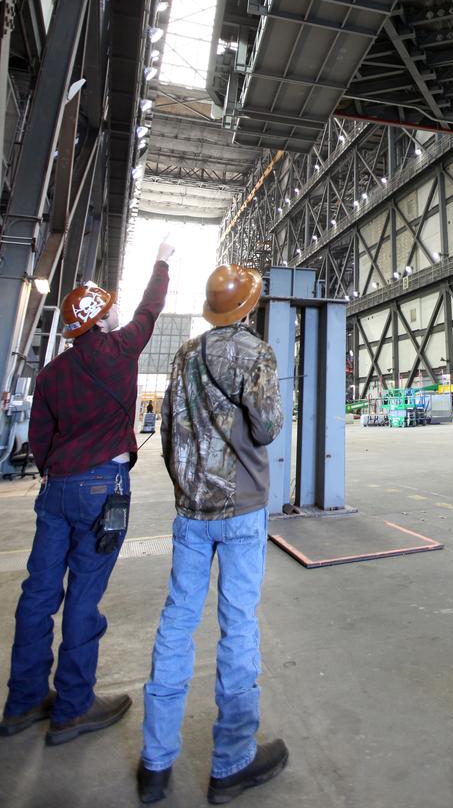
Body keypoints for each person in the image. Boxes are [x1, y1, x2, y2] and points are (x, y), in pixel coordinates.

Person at [0, 240, 173, 744]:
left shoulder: (53, 374)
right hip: (104, 489)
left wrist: (58, 467)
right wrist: (161, 260)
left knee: (38, 593)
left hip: (56, 490)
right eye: (108, 304)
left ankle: (24, 701)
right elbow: (150, 307)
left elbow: (39, 438)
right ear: (99, 318)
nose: (118, 308)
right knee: (84, 594)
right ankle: (73, 705)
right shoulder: (121, 351)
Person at [138, 264, 286, 806]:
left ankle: (155, 763)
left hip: (191, 511)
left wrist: (188, 485)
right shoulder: (256, 353)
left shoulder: (185, 355)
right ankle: (231, 762)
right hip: (242, 509)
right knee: (238, 626)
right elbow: (267, 427)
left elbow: (170, 430)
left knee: (177, 622)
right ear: (248, 307)